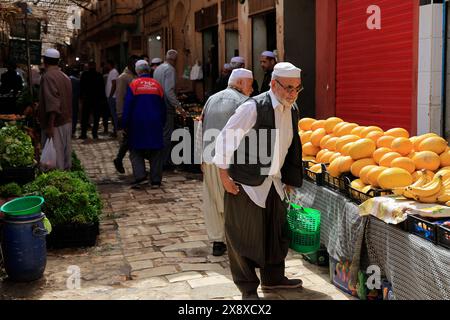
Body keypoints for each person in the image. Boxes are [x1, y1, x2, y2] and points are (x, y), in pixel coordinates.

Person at [213, 62, 304, 300]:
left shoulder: (291, 108)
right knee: (242, 237)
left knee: (276, 234)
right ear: (273, 84)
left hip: (274, 181)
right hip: (246, 182)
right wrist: (224, 175)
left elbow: (293, 145)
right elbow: (224, 141)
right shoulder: (252, 107)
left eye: (297, 89)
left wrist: (291, 178)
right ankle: (248, 288)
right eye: (288, 88)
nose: (292, 94)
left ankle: (273, 279)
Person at [199, 68, 254, 257]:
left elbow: (201, 126)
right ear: (239, 83)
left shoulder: (211, 99)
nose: (252, 88)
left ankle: (217, 241)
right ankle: (236, 240)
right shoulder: (245, 103)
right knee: (234, 199)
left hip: (209, 158)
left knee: (213, 200)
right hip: (232, 161)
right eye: (250, 83)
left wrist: (200, 156)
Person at [122, 60, 166, 189]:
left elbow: (128, 106)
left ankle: (140, 176)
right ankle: (156, 180)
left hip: (137, 123)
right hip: (155, 122)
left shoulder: (134, 85)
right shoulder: (157, 85)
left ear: (137, 71)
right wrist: (162, 122)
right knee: (156, 151)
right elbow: (162, 106)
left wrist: (125, 123)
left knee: (136, 151)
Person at [38, 48, 73, 170]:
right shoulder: (65, 77)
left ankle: (58, 186)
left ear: (45, 61)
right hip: (66, 122)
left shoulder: (47, 77)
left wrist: (50, 126)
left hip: (56, 124)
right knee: (63, 158)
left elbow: (53, 104)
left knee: (54, 163)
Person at [153, 49, 186, 171]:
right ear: (175, 60)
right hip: (166, 106)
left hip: (157, 104)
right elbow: (168, 91)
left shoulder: (158, 69)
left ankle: (159, 160)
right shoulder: (170, 69)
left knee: (161, 134)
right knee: (167, 135)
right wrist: (178, 106)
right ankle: (164, 162)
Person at [113, 55, 138, 174]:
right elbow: (119, 97)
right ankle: (119, 160)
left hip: (136, 113)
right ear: (130, 64)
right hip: (126, 113)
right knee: (128, 139)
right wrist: (120, 114)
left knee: (130, 139)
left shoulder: (135, 76)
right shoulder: (123, 78)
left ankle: (120, 160)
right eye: (134, 64)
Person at [79, 60, 106, 140]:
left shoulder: (84, 74)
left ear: (89, 66)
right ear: (95, 66)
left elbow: (81, 86)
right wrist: (102, 98)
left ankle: (83, 133)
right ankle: (95, 133)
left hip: (87, 98)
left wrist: (81, 97)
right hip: (97, 99)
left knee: (85, 117)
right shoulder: (99, 75)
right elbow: (102, 88)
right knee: (96, 117)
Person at [105, 60, 120, 137]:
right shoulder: (111, 72)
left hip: (113, 97)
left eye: (107, 64)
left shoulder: (114, 72)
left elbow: (114, 84)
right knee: (113, 114)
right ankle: (115, 129)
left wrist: (110, 95)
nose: (106, 66)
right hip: (111, 96)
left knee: (114, 115)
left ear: (109, 64)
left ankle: (117, 130)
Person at [69, 68, 81, 136]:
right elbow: (79, 92)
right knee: (74, 115)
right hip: (75, 100)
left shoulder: (67, 78)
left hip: (67, 100)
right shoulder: (77, 81)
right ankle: (73, 130)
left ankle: (69, 130)